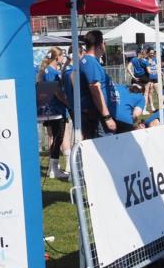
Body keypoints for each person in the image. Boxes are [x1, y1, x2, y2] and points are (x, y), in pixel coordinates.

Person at [37, 47, 70, 180]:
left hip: (51, 110)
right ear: (57, 57)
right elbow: (56, 91)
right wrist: (67, 102)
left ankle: (54, 169)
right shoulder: (51, 72)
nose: (63, 58)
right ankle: (54, 170)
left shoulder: (47, 70)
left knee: (56, 138)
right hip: (56, 110)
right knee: (58, 138)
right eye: (62, 56)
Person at [78, 30, 117, 139]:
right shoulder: (90, 62)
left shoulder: (90, 61)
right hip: (98, 116)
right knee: (105, 146)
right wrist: (107, 117)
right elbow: (95, 89)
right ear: (100, 44)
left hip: (98, 114)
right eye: (104, 42)